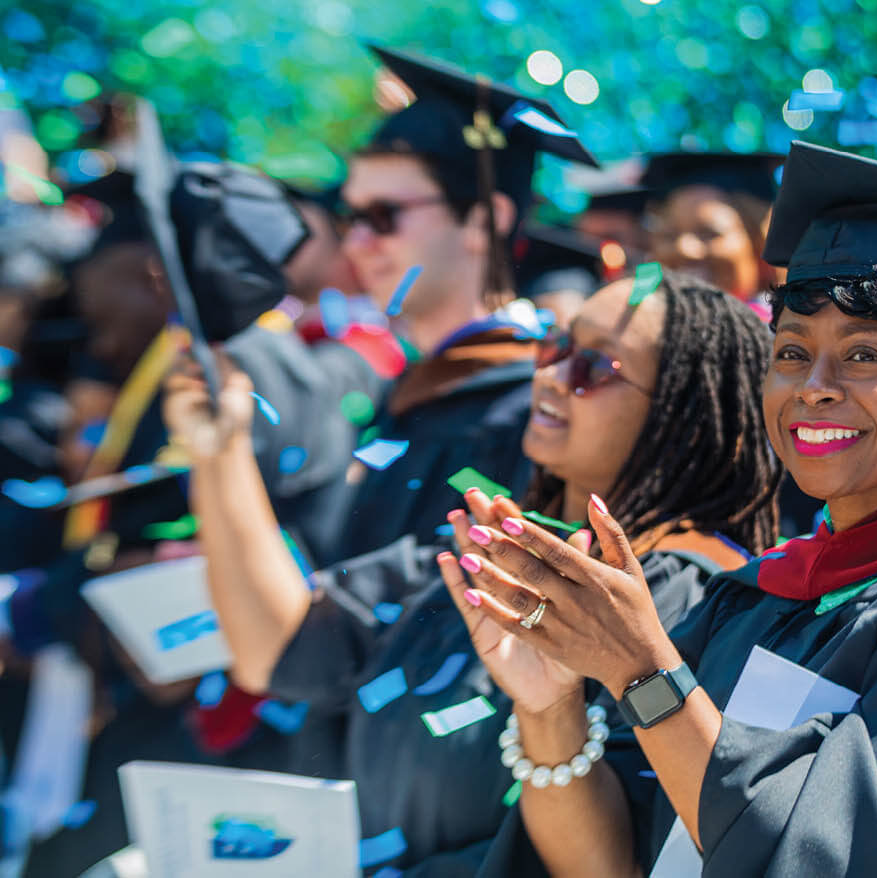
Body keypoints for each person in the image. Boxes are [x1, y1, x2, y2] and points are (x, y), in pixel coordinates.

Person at [441, 142, 877, 876]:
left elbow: (839, 861)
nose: (814, 385)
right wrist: (549, 704)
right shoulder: (753, 596)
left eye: (866, 355)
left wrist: (641, 672)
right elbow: (612, 864)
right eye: (790, 352)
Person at [161, 270, 782, 873]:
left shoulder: (681, 594)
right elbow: (278, 648)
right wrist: (222, 450)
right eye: (557, 345)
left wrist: (550, 713)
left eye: (595, 368)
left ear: (686, 417)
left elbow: (614, 866)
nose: (551, 376)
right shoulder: (496, 540)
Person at [227, 46, 600, 566]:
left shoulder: (532, 409)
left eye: (383, 216)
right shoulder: (405, 388)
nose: (356, 243)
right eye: (348, 216)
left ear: (483, 221)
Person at [641, 151, 782, 303]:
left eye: (709, 233)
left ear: (760, 244)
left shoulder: (784, 325)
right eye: (669, 235)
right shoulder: (642, 322)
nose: (684, 249)